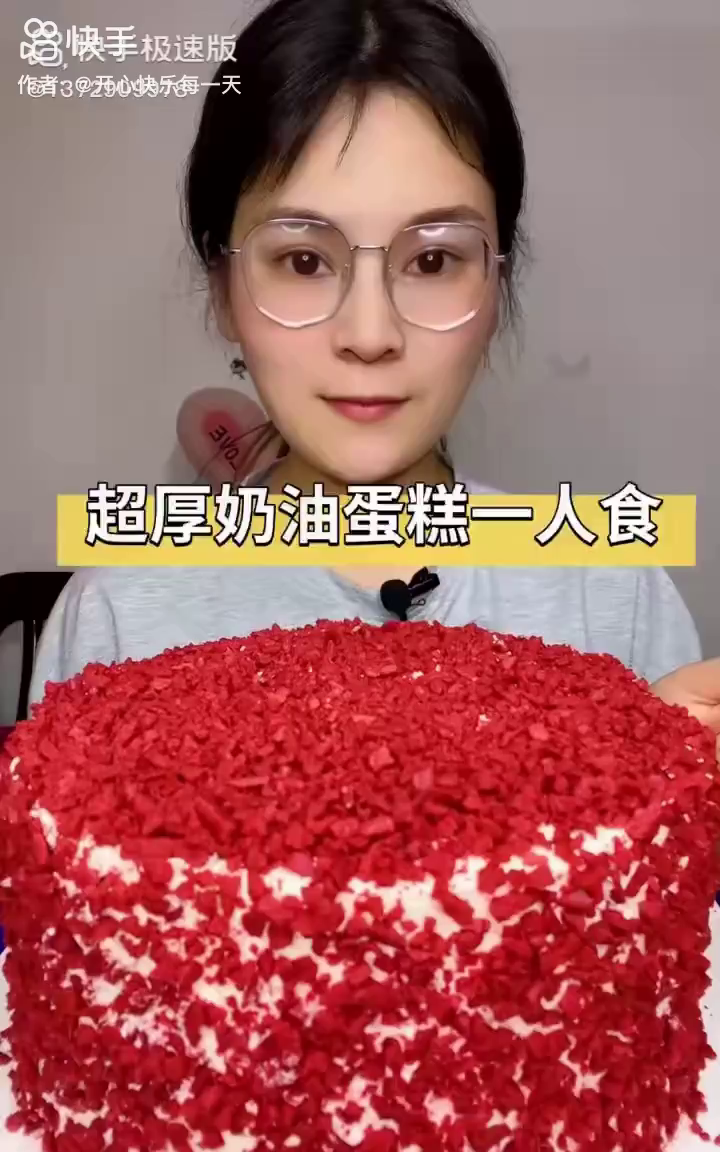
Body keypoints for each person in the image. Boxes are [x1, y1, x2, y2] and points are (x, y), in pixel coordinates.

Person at [29, 0, 703, 714]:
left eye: (434, 260)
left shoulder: (615, 596)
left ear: (497, 286)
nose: (371, 333)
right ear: (223, 289)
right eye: (304, 260)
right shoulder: (116, 615)